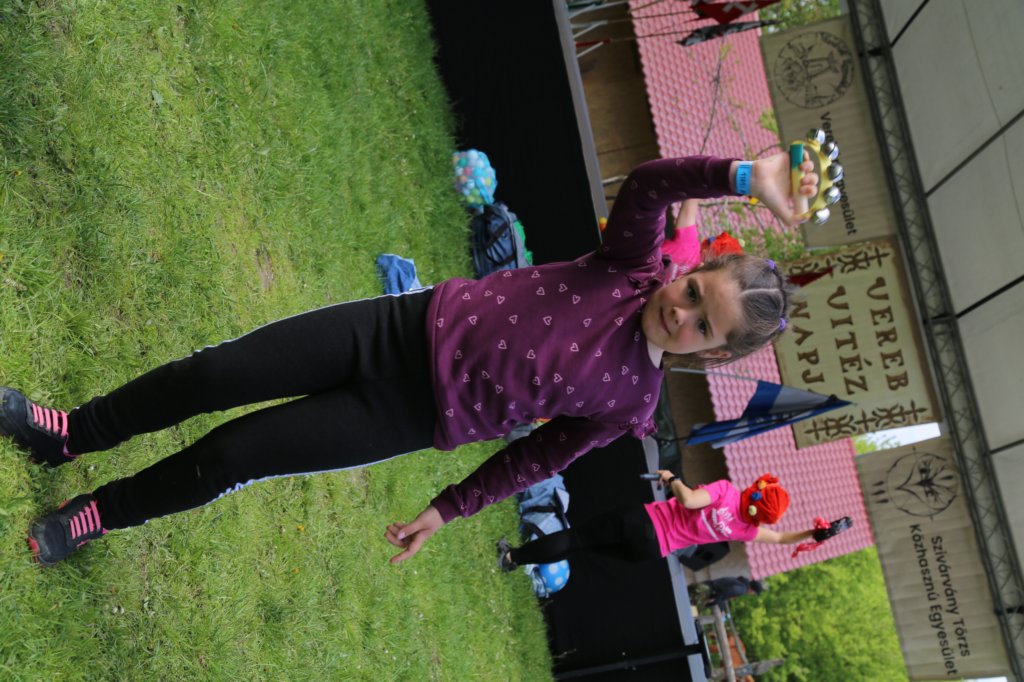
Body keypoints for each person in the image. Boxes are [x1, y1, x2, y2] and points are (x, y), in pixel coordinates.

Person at [0, 152, 818, 566]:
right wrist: (745, 175)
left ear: (713, 353)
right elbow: (647, 185)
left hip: (405, 416)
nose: (681, 314)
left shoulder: (630, 403)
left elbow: (537, 458)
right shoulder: (629, 264)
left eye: (701, 327)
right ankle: (70, 434)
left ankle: (98, 514)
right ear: (691, 271)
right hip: (395, 329)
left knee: (234, 456)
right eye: (693, 292)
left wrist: (449, 508)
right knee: (214, 375)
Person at [497, 472, 828, 571]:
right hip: (650, 551)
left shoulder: (726, 491)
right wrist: (815, 534)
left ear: (759, 490)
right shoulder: (747, 530)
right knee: (579, 548)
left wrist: (672, 478)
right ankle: (517, 560)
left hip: (642, 521)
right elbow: (782, 539)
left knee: (575, 539)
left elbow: (689, 500)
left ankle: (512, 557)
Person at [688, 576, 765, 611]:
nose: (752, 594)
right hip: (704, 592)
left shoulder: (740, 581)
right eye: (754, 593)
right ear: (752, 590)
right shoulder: (742, 589)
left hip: (705, 585)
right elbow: (727, 592)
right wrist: (714, 599)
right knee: (685, 603)